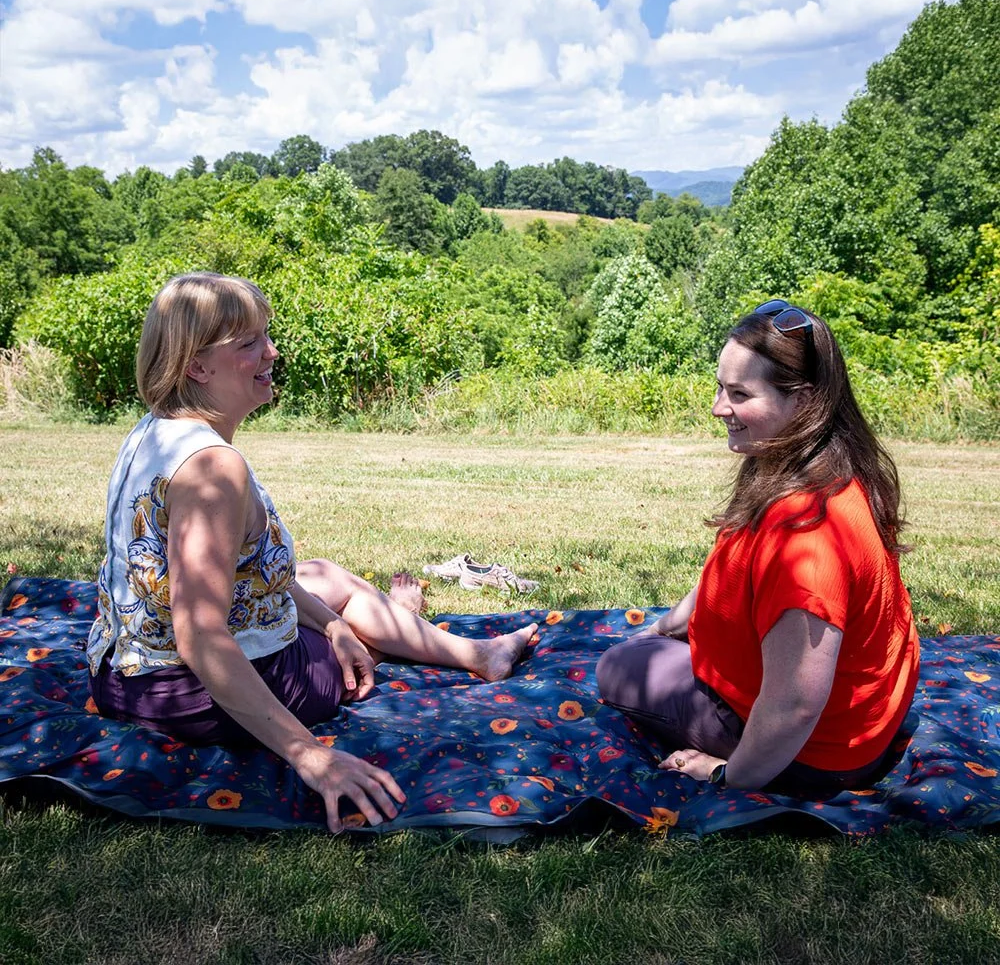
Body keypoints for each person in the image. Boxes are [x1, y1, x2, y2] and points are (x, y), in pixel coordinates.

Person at [87, 272, 538, 832]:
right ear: (195, 366)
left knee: (323, 578)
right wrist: (311, 755)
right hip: (189, 691)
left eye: (266, 336)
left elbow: (252, 576)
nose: (272, 352)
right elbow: (199, 635)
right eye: (249, 343)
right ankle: (414, 629)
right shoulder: (213, 469)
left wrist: (330, 625)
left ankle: (452, 646)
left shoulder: (153, 432)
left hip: (119, 672)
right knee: (348, 638)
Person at [596, 300, 920, 797]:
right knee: (645, 648)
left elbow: (796, 705)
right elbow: (727, 571)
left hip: (816, 753)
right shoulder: (814, 461)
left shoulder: (805, 540)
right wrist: (666, 629)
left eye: (740, 393)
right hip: (860, 721)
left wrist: (727, 774)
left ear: (804, 401)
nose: (718, 407)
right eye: (720, 387)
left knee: (618, 667)